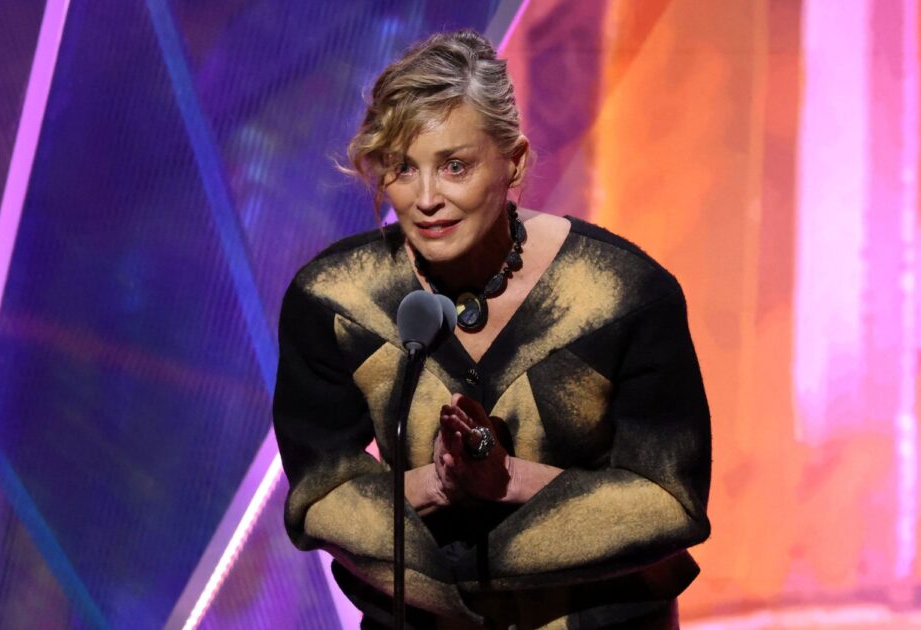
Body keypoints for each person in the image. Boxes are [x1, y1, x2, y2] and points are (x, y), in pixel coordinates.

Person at [273, 29, 711, 629]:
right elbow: (320, 493)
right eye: (403, 169)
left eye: (455, 166)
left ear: (515, 162)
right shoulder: (336, 298)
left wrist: (507, 479)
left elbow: (669, 500)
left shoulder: (622, 292)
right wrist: (438, 484)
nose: (426, 198)